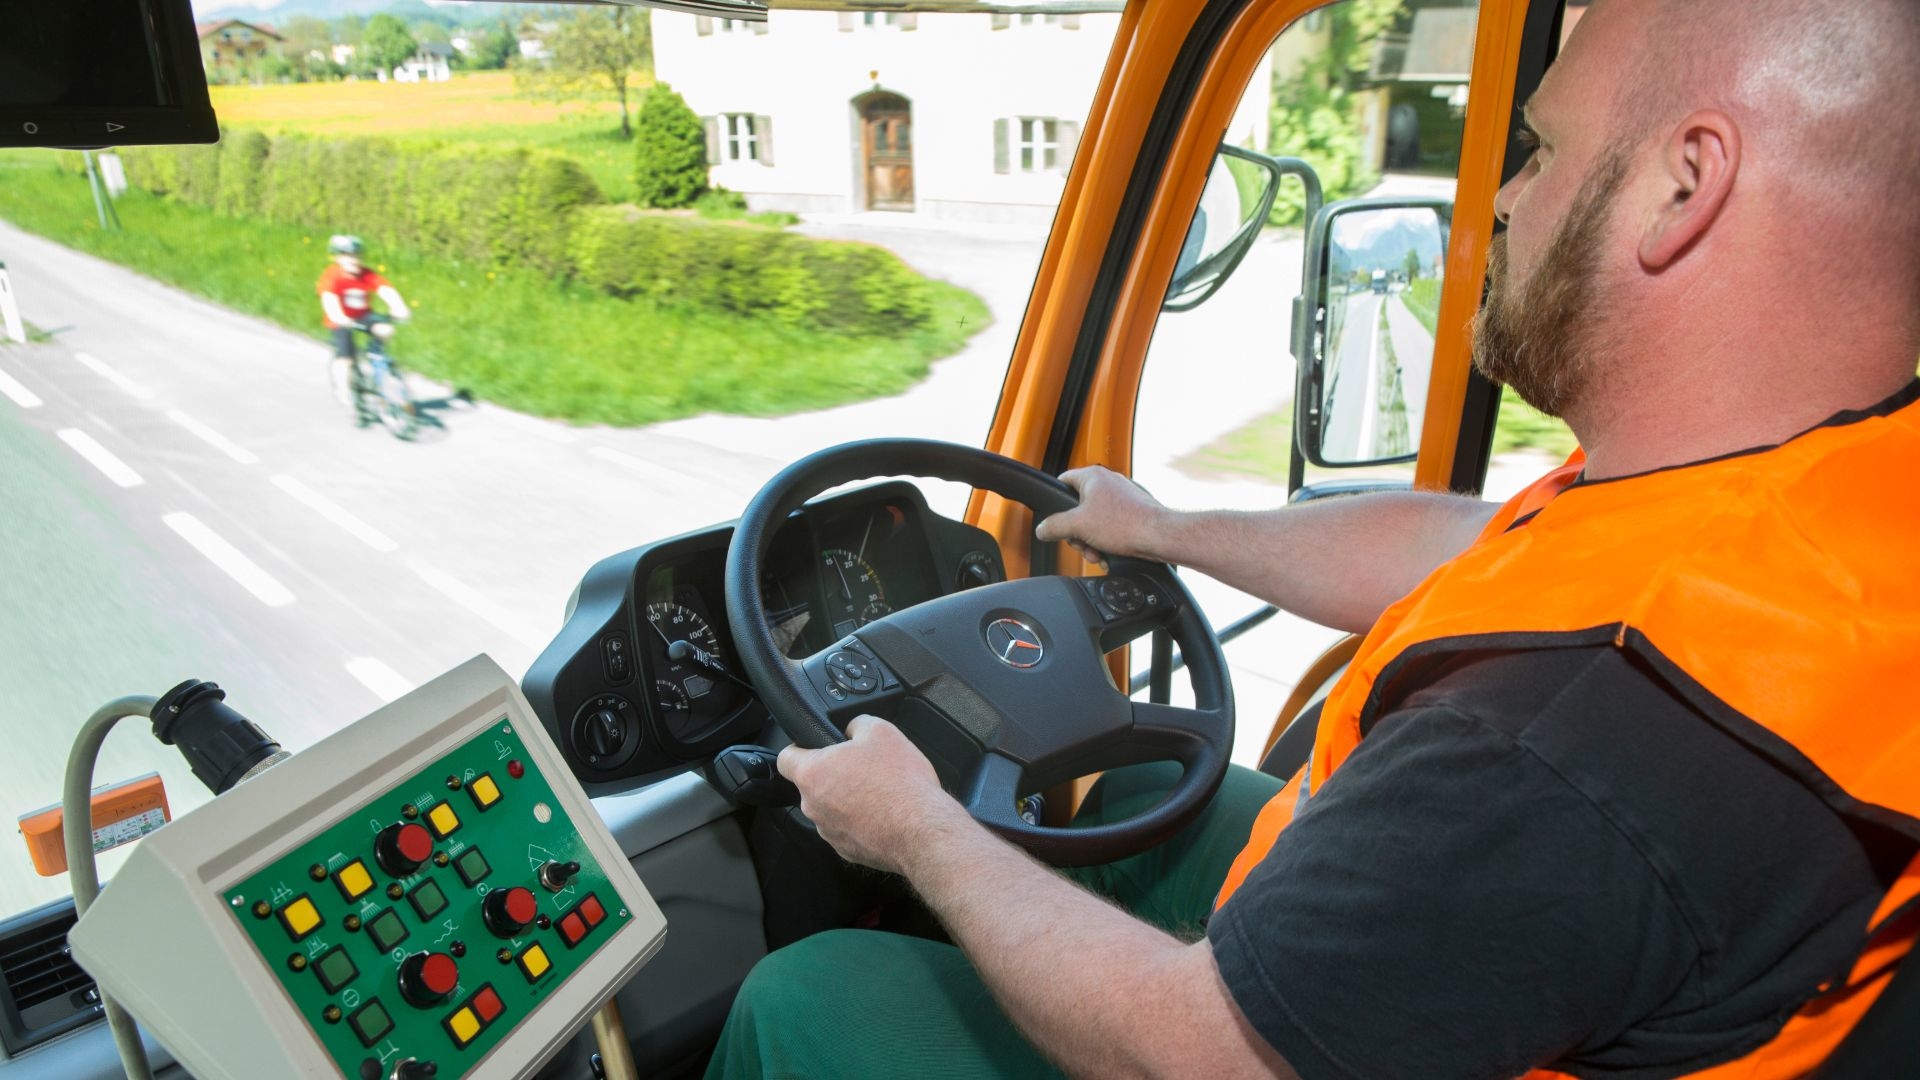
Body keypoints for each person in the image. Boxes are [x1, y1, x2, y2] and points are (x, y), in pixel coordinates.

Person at [709, 0, 1920, 1076]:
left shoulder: (1570, 748)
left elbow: (1200, 1051)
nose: (1501, 197)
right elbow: (1481, 546)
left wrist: (914, 825)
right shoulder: (1824, 492)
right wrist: (1168, 529)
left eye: (1540, 150)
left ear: (1684, 183)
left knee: (810, 995)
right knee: (1133, 786)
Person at [316, 235, 411, 406]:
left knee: (386, 329)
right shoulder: (331, 276)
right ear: (338, 258)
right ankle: (343, 388)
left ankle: (376, 356)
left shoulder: (366, 274)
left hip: (363, 315)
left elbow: (385, 290)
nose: (353, 260)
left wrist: (399, 307)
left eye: (356, 256)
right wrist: (339, 317)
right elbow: (328, 299)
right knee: (346, 357)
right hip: (340, 319)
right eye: (347, 256)